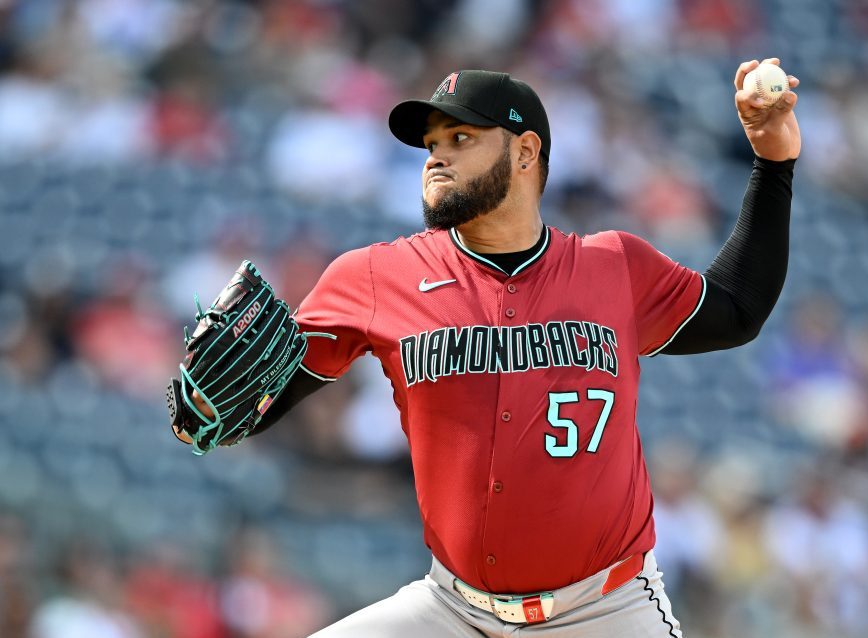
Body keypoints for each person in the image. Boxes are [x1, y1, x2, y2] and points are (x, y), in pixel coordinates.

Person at [181, 60, 800, 637]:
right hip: (452, 607)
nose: (435, 158)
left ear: (525, 151)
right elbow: (261, 398)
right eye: (431, 145)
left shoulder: (614, 266)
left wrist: (774, 164)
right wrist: (213, 409)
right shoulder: (374, 277)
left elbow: (738, 309)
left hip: (606, 610)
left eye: (461, 139)